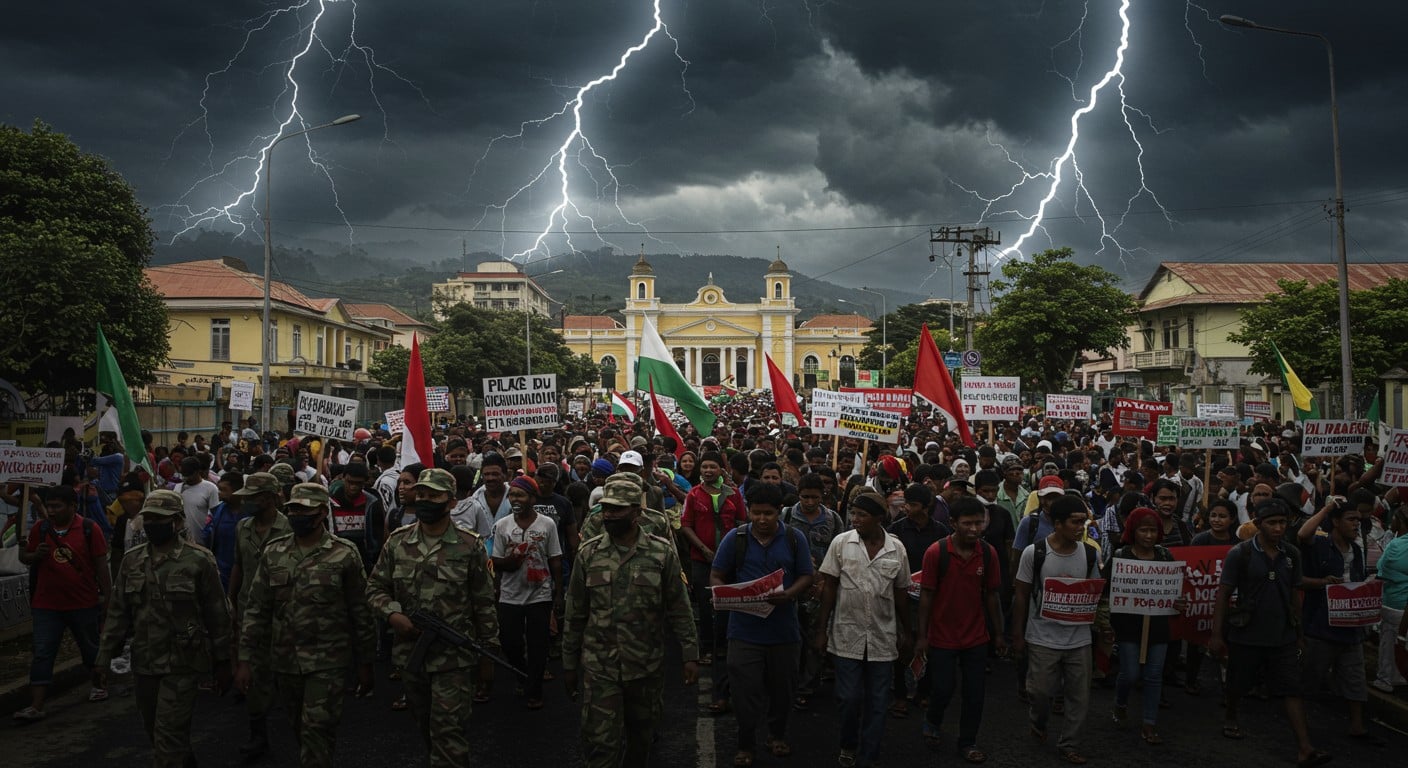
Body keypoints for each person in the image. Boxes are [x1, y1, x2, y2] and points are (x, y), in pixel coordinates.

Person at [561, 472, 699, 768]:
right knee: (600, 744)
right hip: (600, 667)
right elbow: (575, 612)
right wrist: (569, 662)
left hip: (646, 666)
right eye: (607, 508)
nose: (609, 515)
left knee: (642, 739)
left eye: (618, 509)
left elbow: (679, 605)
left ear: (637, 511)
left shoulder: (660, 553)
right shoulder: (589, 553)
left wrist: (690, 654)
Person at [366, 468, 500, 768]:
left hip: (454, 658)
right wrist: (392, 614)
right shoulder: (398, 542)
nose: (424, 499)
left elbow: (484, 602)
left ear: (451, 502)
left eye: (433, 495)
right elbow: (375, 587)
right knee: (425, 726)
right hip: (410, 656)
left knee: (449, 733)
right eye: (421, 494)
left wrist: (489, 652)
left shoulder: (470, 545)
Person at [235, 483, 376, 767]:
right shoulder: (274, 552)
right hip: (284, 661)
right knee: (301, 730)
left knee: (317, 732)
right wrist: (245, 659)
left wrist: (365, 661)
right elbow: (257, 608)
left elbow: (360, 611)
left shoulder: (344, 553)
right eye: (293, 510)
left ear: (322, 513)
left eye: (304, 510)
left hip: (328, 661)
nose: (297, 515)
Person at [94, 489, 232, 767]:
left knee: (168, 739)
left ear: (178, 522)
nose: (153, 524)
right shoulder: (132, 560)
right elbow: (119, 612)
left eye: (161, 519)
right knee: (158, 734)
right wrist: (103, 657)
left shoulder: (199, 560)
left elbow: (217, 614)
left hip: (183, 663)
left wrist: (223, 661)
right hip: (144, 663)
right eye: (149, 519)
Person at [1209, 499, 1329, 767]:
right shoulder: (1240, 554)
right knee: (1238, 685)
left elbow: (1295, 593)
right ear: (1258, 524)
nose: (1278, 528)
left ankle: (1305, 748)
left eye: (1282, 523)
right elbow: (1223, 594)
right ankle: (1231, 716)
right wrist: (1216, 635)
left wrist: (1298, 632)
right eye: (1272, 523)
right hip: (1246, 634)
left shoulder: (1291, 555)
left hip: (1282, 636)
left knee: (1291, 689)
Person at [712, 481, 815, 767]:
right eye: (756, 513)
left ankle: (776, 735)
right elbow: (717, 574)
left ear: (778, 512)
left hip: (784, 632)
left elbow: (808, 575)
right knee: (744, 693)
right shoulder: (736, 538)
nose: (762, 519)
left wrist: (789, 595)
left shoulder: (795, 539)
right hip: (744, 632)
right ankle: (745, 743)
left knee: (783, 690)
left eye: (768, 514)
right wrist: (726, 594)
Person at [812, 489, 912, 768]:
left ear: (879, 518)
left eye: (862, 515)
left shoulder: (897, 548)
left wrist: (908, 633)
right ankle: (848, 743)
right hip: (847, 634)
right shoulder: (841, 543)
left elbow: (901, 593)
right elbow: (829, 587)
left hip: (883, 636)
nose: (855, 519)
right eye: (854, 513)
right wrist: (822, 629)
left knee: (879, 703)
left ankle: (868, 755)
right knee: (848, 698)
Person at [1011, 495, 1101, 765]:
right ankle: (1038, 721)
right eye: (1075, 522)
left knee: (1079, 696)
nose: (1080, 527)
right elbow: (1022, 595)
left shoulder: (1089, 554)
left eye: (1083, 521)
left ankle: (1069, 744)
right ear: (1057, 524)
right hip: (1042, 637)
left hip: (1079, 638)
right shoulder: (1035, 553)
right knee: (1039, 693)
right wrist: (1017, 636)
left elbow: (1094, 592)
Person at [915, 496, 1004, 764]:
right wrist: (922, 636)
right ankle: (933, 719)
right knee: (943, 689)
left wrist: (999, 633)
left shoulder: (988, 553)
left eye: (979, 523)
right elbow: (927, 596)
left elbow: (991, 595)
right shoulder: (936, 552)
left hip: (976, 636)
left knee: (975, 694)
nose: (974, 529)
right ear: (953, 523)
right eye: (967, 523)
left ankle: (968, 741)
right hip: (942, 636)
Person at [13, 485, 112, 721]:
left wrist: (108, 599)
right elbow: (24, 556)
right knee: (43, 653)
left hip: (83, 603)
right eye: (49, 506)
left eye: (57, 506)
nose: (52, 510)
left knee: (90, 648)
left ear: (72, 507)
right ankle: (36, 705)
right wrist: (34, 555)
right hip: (47, 605)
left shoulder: (89, 528)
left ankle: (99, 685)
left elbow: (101, 566)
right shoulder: (41, 528)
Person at [1295, 495, 1382, 742]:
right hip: (1321, 627)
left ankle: (1357, 726)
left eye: (1359, 519)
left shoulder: (1356, 550)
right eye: (1351, 519)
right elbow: (1303, 535)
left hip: (1350, 628)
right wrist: (1327, 508)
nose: (1357, 524)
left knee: (1355, 677)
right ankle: (1301, 724)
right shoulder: (1320, 545)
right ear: (1335, 521)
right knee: (1311, 678)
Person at [1102, 506, 1185, 745]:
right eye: (1143, 530)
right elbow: (1106, 589)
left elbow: (1174, 589)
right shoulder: (1121, 556)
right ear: (1133, 531)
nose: (1148, 536)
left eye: (1153, 531)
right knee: (1130, 673)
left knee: (1153, 675)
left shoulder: (1165, 557)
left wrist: (1178, 602)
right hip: (1127, 625)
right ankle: (1120, 703)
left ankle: (1149, 723)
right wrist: (1106, 622)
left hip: (1158, 624)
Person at [226, 471, 291, 760]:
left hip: (284, 611)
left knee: (288, 674)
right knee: (252, 672)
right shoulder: (243, 528)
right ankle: (258, 734)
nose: (247, 503)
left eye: (252, 498)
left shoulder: (289, 527)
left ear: (267, 498)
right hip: (251, 610)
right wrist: (231, 598)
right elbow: (239, 564)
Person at [490, 476, 563, 710]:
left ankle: (534, 689)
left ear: (532, 498)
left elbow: (555, 559)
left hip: (539, 595)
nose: (515, 500)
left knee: (538, 644)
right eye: (512, 495)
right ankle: (522, 674)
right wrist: (510, 561)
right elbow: (495, 561)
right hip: (509, 595)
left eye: (520, 495)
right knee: (509, 642)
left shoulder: (547, 524)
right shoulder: (502, 525)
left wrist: (558, 592)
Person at [681, 450, 744, 706]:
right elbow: (686, 525)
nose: (708, 471)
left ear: (721, 469)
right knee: (706, 604)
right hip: (701, 559)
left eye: (713, 467)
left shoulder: (733, 494)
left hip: (729, 560)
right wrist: (704, 549)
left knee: (728, 603)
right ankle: (707, 646)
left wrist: (730, 551)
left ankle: (724, 644)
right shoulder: (694, 494)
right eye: (704, 467)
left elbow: (741, 521)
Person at [783, 472, 844, 709]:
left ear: (823, 496)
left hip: (821, 589)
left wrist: (825, 583)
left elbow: (839, 552)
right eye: (805, 497)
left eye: (814, 497)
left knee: (816, 638)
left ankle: (806, 685)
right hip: (792, 587)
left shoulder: (834, 520)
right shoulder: (787, 516)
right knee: (791, 639)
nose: (809, 502)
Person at [1374, 506, 1408, 692]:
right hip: (1403, 605)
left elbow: (1381, 568)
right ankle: (1400, 675)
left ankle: (1386, 679)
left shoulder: (1397, 545)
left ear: (1398, 520)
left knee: (1388, 644)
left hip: (1394, 603)